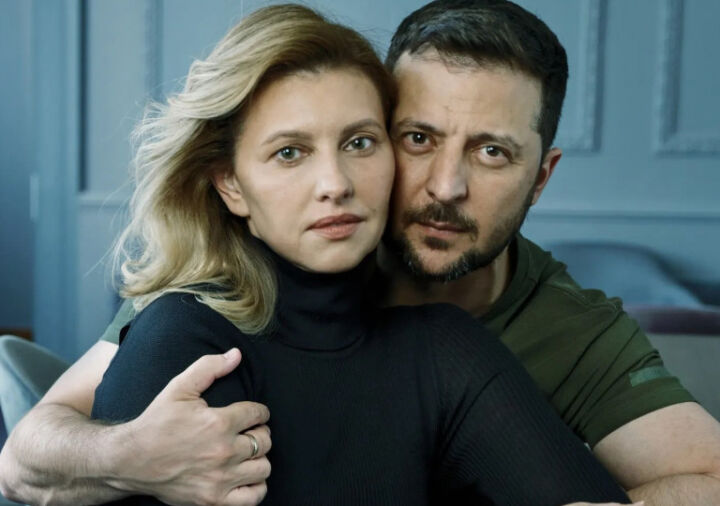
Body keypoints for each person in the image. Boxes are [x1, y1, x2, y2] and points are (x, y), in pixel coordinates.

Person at [1, 0, 719, 505]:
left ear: (541, 177)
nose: (445, 186)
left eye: (492, 152)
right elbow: (27, 456)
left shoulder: (460, 348)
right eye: (419, 138)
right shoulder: (201, 312)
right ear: (231, 185)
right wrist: (126, 455)